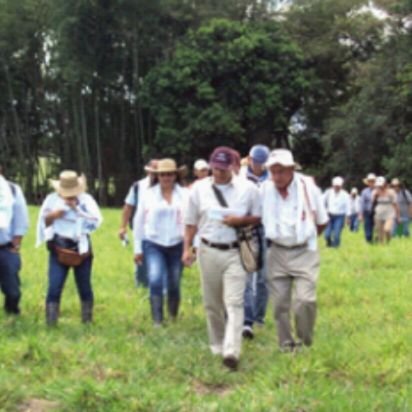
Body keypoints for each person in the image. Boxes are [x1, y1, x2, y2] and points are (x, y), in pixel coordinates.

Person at [182, 146, 261, 371]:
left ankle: (231, 350)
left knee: (234, 302)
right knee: (212, 303)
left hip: (236, 250)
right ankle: (217, 344)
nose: (218, 173)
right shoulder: (198, 189)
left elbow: (258, 218)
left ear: (233, 167)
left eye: (223, 169)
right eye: (215, 168)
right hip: (208, 250)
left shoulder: (249, 190)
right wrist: (187, 248)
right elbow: (190, 221)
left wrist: (240, 220)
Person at [260, 149, 328, 352]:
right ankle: (286, 344)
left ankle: (305, 340)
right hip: (277, 251)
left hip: (303, 250)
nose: (277, 176)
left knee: (305, 300)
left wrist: (307, 237)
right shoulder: (264, 190)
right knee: (280, 304)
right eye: (273, 171)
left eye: (281, 171)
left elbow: (322, 221)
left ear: (291, 170)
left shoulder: (308, 188)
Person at [36, 171, 102, 325]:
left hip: (81, 249)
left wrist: (77, 210)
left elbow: (96, 221)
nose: (69, 196)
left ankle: (87, 321)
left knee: (84, 286)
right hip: (59, 247)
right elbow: (43, 223)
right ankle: (51, 323)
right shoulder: (51, 200)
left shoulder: (86, 200)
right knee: (54, 285)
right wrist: (54, 215)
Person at [133, 159, 188, 326]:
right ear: (157, 176)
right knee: (155, 278)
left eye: (170, 174)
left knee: (174, 281)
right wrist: (137, 248)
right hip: (153, 242)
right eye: (163, 174)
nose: (166, 177)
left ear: (176, 175)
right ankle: (157, 319)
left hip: (177, 243)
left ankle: (172, 315)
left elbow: (192, 220)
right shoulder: (148, 194)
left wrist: (192, 246)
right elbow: (138, 221)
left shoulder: (185, 195)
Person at [241, 144, 270, 339]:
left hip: (267, 230)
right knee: (247, 276)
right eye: (255, 161)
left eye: (262, 162)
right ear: (249, 160)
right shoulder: (240, 178)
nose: (258, 165)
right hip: (246, 229)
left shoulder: (272, 178)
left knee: (263, 277)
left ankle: (259, 317)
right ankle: (247, 319)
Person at [119, 159, 158, 287]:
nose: (155, 175)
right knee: (140, 258)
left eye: (157, 172)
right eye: (152, 172)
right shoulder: (138, 186)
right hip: (140, 228)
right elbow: (128, 207)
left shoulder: (167, 187)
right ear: (147, 171)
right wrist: (122, 227)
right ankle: (141, 286)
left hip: (160, 230)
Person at [0, 166, 29, 315]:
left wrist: (16, 244)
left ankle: (11, 313)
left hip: (5, 247)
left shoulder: (12, 190)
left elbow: (21, 219)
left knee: (13, 291)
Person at [323, 177, 350, 247]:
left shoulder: (345, 195)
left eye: (338, 186)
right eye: (335, 186)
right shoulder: (328, 192)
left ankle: (335, 247)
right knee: (327, 234)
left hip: (339, 216)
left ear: (341, 186)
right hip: (329, 215)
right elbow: (322, 202)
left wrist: (347, 218)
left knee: (337, 234)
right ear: (333, 185)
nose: (337, 187)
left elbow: (348, 206)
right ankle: (329, 243)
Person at [373, 177, 399, 244]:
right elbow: (373, 203)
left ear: (385, 184)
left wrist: (398, 216)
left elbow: (395, 204)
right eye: (378, 185)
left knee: (387, 229)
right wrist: (375, 196)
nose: (380, 186)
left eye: (381, 185)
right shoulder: (376, 192)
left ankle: (388, 240)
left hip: (389, 213)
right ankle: (382, 247)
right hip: (379, 213)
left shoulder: (391, 192)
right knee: (380, 233)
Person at [359, 173, 376, 243]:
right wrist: (361, 214)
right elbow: (362, 204)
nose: (371, 183)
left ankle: (377, 239)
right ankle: (369, 240)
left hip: (377, 212)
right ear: (368, 183)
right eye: (370, 181)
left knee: (377, 228)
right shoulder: (364, 192)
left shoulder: (379, 191)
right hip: (367, 212)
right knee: (368, 227)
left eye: (373, 181)